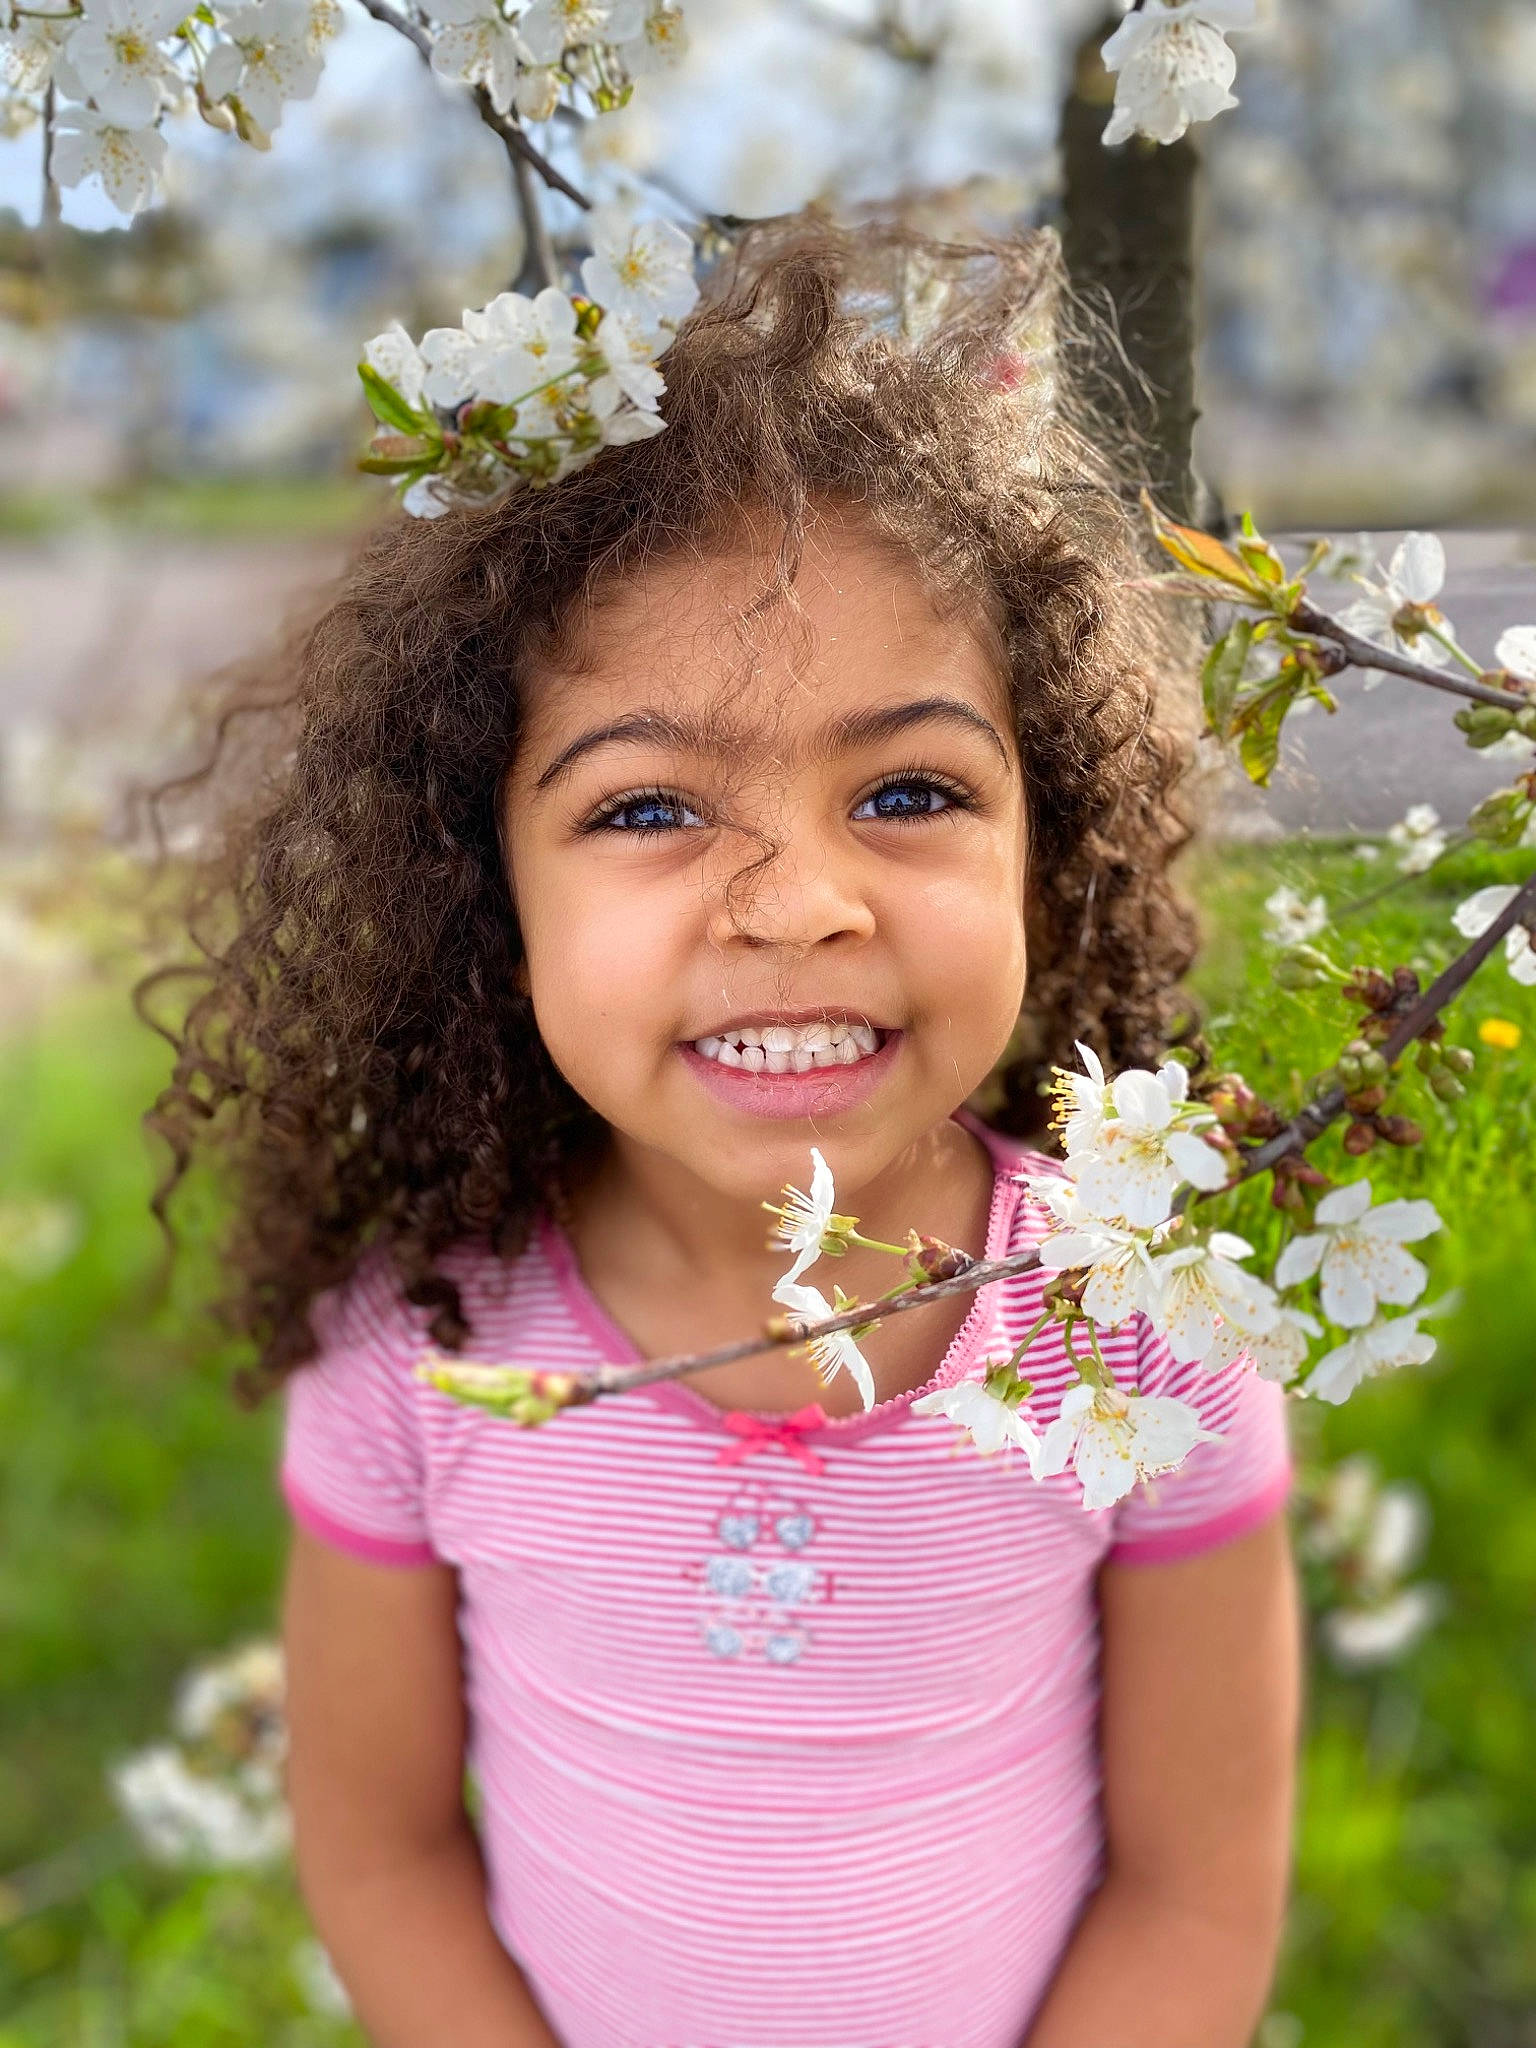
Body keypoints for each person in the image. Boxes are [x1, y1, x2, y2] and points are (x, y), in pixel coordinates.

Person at [146, 221, 1301, 2048]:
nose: (797, 903)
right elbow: (377, 1852)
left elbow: (1198, 1885)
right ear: (485, 888)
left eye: (910, 790)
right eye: (653, 803)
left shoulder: (1148, 1324)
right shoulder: (420, 1350)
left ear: (1045, 837)